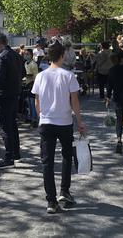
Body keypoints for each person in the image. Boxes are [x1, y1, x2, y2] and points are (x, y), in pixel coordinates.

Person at [31, 41, 85, 214]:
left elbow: (36, 100)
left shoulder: (41, 75)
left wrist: (41, 116)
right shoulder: (68, 76)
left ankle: (51, 201)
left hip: (46, 122)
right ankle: (65, 191)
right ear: (62, 56)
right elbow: (74, 101)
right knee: (67, 157)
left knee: (47, 162)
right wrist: (80, 121)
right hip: (64, 122)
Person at [0, 33, 24, 169]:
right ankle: (15, 153)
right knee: (12, 125)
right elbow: (23, 73)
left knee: (5, 127)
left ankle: (9, 157)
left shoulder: (2, 57)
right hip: (15, 93)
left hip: (5, 95)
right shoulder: (16, 55)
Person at [107, 50, 123, 154]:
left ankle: (118, 139)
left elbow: (109, 85)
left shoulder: (112, 70)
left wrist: (108, 97)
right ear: (122, 59)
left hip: (117, 97)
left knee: (119, 119)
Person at [23, 49, 40, 126]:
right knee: (28, 103)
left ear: (31, 55)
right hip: (26, 84)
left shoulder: (34, 64)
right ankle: (29, 117)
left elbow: (35, 76)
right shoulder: (25, 63)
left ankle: (35, 119)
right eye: (25, 54)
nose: (26, 55)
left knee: (33, 103)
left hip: (32, 84)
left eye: (28, 54)